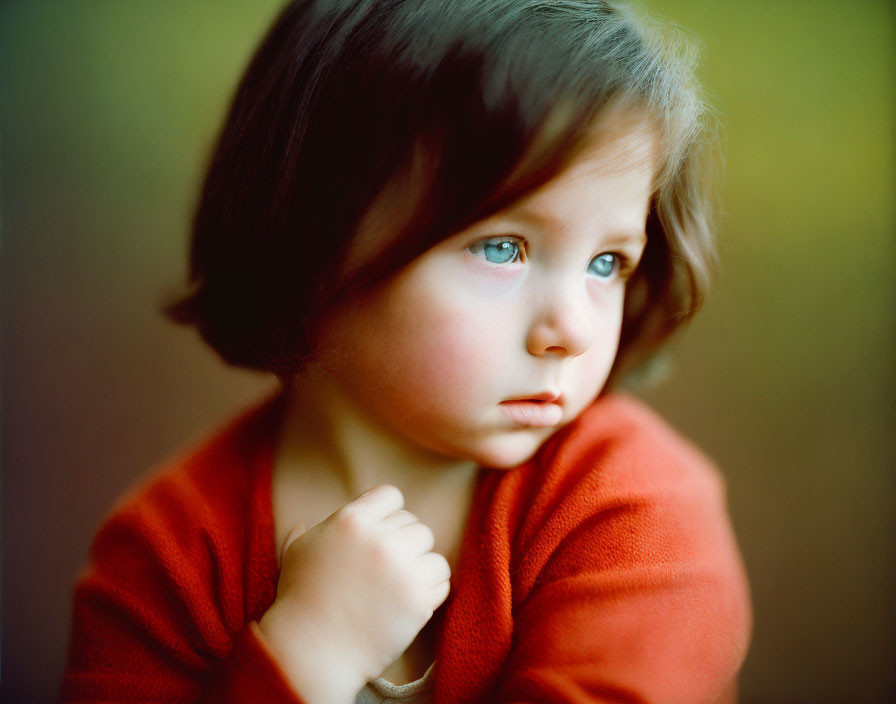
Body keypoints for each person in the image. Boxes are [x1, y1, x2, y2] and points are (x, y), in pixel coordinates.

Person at [61, 1, 752, 702]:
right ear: (312, 235)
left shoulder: (637, 507)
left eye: (607, 263)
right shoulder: (162, 558)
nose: (572, 329)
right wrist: (302, 656)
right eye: (503, 247)